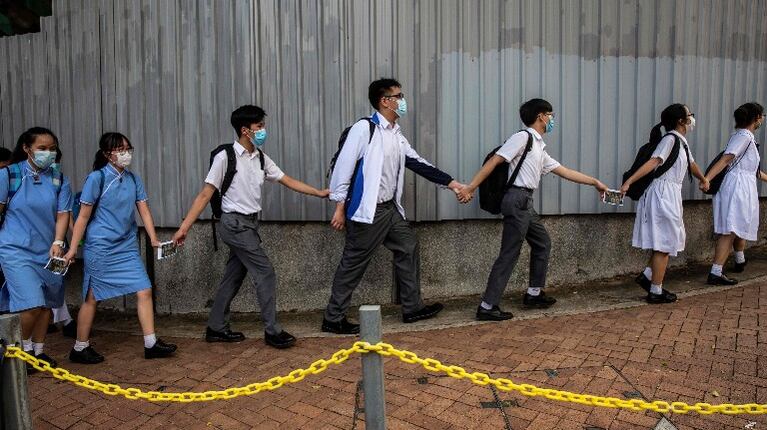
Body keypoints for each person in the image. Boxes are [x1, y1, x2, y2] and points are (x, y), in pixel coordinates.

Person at [172, 105, 329, 349]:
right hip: (234, 223)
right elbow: (205, 194)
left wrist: (318, 193)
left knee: (234, 276)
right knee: (265, 272)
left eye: (263, 125)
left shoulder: (261, 157)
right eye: (259, 127)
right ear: (245, 130)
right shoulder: (226, 157)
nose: (263, 130)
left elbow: (286, 180)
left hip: (250, 224)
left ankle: (216, 327)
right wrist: (184, 228)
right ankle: (272, 331)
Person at [322, 78, 465, 334]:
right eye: (399, 95)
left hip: (389, 210)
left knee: (408, 246)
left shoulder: (396, 135)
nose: (403, 100)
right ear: (384, 101)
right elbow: (342, 169)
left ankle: (412, 308)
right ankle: (333, 318)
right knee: (354, 262)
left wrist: (453, 184)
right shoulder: (364, 129)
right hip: (368, 212)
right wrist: (339, 207)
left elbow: (418, 163)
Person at [457, 98, 608, 321]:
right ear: (541, 116)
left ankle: (534, 294)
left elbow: (564, 171)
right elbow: (495, 161)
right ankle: (487, 305)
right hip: (517, 200)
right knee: (509, 253)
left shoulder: (538, 146)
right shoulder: (523, 137)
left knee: (542, 242)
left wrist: (595, 182)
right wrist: (471, 187)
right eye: (551, 115)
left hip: (526, 202)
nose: (552, 119)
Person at [63, 132, 176, 364]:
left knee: (144, 289)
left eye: (127, 148)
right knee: (92, 297)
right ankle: (80, 347)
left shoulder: (133, 179)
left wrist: (154, 239)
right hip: (101, 246)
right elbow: (83, 217)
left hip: (126, 245)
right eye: (119, 149)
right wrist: (73, 248)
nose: (125, 154)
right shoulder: (97, 178)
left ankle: (151, 343)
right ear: (107, 154)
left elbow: (144, 209)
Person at [621, 104, 709, 304]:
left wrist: (703, 179)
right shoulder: (670, 139)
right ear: (680, 120)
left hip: (669, 194)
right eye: (689, 115)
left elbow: (692, 164)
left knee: (666, 240)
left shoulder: (681, 142)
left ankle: (648, 275)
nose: (691, 118)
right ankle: (656, 291)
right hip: (662, 195)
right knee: (664, 243)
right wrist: (629, 181)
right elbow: (653, 162)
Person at [0, 127, 72, 369]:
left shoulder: (59, 178)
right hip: (15, 249)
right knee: (30, 304)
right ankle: (14, 354)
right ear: (26, 148)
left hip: (48, 251)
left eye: (52, 149)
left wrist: (58, 242)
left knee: (45, 306)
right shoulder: (9, 175)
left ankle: (37, 353)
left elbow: (63, 214)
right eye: (42, 148)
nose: (48, 153)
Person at [704, 102, 765, 284]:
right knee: (730, 229)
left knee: (739, 224)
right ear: (755, 119)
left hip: (741, 184)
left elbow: (753, 170)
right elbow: (726, 159)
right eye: (761, 116)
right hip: (737, 187)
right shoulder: (744, 136)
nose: (762, 119)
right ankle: (715, 272)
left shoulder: (742, 136)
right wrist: (707, 178)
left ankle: (740, 260)